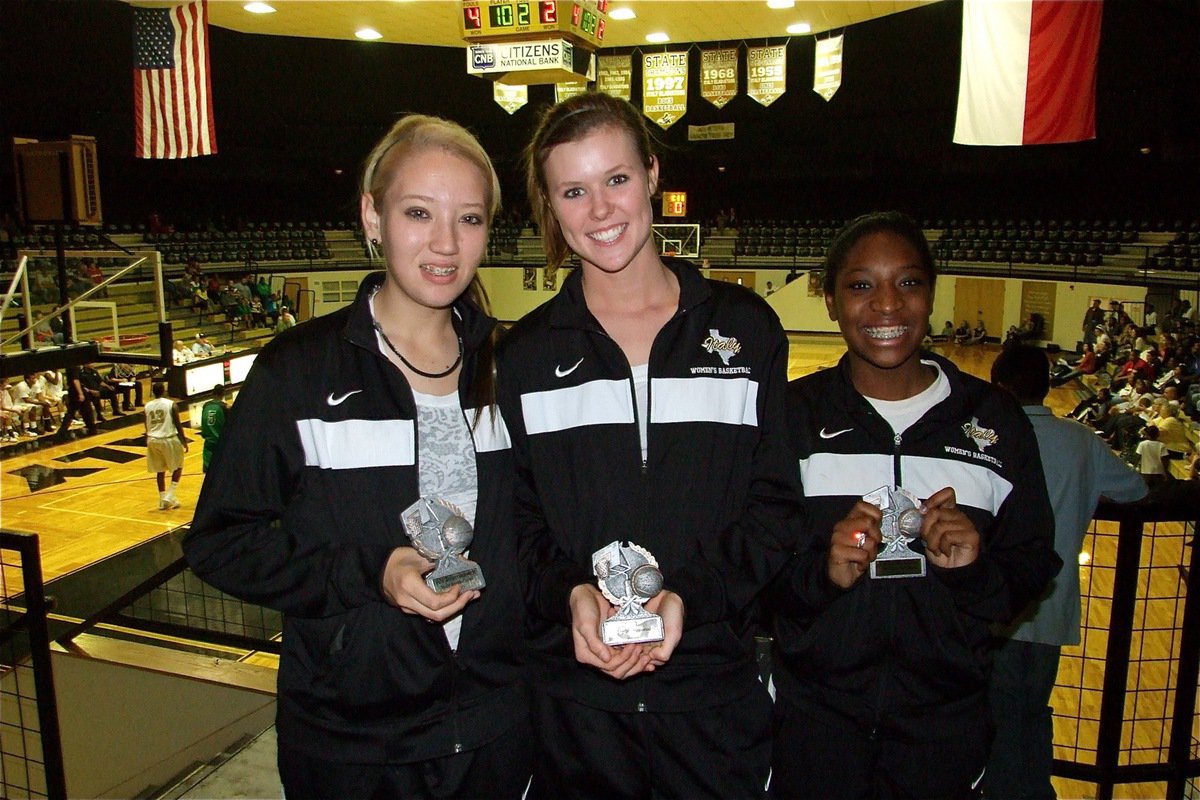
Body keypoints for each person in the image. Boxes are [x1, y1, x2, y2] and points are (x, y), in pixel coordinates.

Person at [183, 115, 531, 799]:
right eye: (417, 213)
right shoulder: (298, 373)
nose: (444, 243)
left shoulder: (510, 369)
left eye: (468, 219)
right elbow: (220, 544)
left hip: (496, 727)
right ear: (373, 216)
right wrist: (370, 572)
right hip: (353, 744)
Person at [498, 92, 799, 799]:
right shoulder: (526, 356)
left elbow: (777, 510)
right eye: (574, 190)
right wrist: (570, 594)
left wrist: (686, 597)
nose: (600, 210)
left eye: (617, 179)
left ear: (654, 175)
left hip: (712, 704)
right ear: (550, 204)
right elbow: (517, 524)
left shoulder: (747, 331)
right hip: (576, 713)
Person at [769, 212, 1060, 800]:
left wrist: (974, 572)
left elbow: (1031, 566)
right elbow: (753, 571)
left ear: (931, 293)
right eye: (860, 285)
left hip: (944, 734)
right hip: (813, 729)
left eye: (907, 283)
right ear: (829, 300)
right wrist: (820, 575)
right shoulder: (789, 418)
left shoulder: (995, 421)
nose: (886, 306)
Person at [986, 344, 1147, 800]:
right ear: (1048, 386)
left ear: (999, 386)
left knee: (990, 713)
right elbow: (1134, 489)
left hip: (991, 608)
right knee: (1034, 712)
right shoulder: (1080, 442)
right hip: (1051, 611)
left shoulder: (989, 437)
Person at [144, 382, 187, 509]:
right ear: (164, 391)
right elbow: (178, 424)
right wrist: (183, 440)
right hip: (168, 438)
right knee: (178, 466)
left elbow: (146, 425)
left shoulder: (147, 406)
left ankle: (163, 500)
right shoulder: (171, 404)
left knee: (160, 471)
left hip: (152, 439)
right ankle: (170, 494)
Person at [198, 383, 227, 472]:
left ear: (212, 393)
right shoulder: (224, 407)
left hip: (208, 442)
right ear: (223, 394)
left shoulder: (206, 405)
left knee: (208, 471)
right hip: (220, 442)